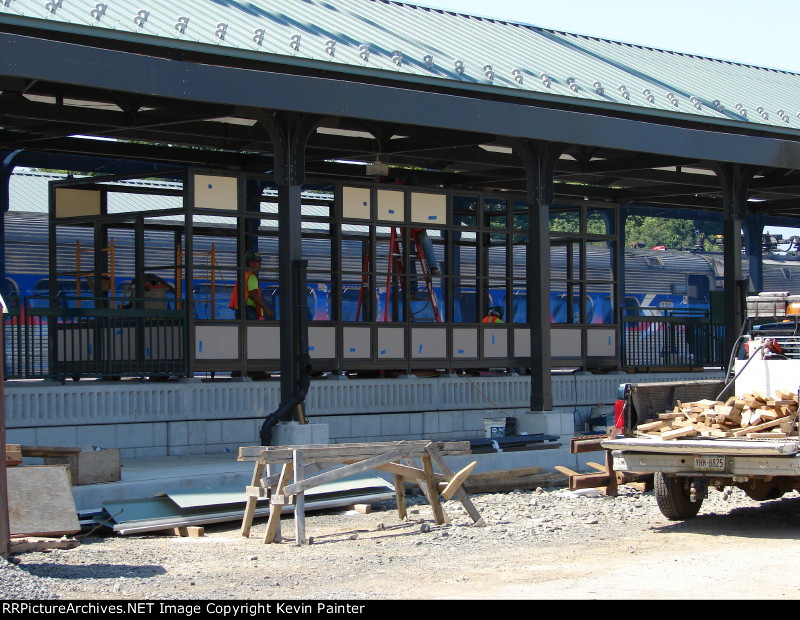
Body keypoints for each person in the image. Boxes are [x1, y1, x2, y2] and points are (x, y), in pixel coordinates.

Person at [229, 250, 274, 320]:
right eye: (258, 261)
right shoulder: (251, 277)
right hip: (248, 309)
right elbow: (254, 295)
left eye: (260, 261)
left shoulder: (243, 275)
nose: (260, 264)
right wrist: (267, 310)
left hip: (240, 309)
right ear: (250, 262)